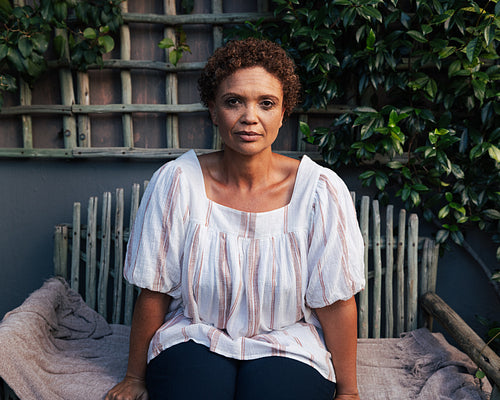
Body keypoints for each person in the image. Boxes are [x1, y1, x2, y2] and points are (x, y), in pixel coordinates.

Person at [105, 37, 365, 400]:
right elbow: (155, 290)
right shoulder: (178, 182)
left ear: (283, 112)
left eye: (266, 103)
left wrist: (349, 392)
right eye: (233, 102)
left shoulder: (319, 191)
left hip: (288, 341)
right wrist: (135, 377)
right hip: (194, 334)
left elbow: (335, 301)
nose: (249, 117)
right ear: (213, 111)